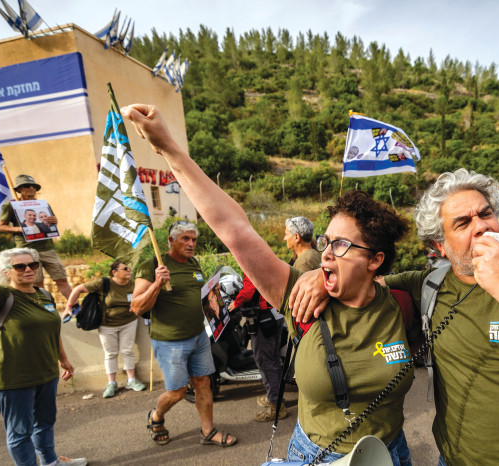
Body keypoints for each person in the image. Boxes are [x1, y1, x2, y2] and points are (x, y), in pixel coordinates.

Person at [121, 103, 414, 465]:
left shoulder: (403, 297)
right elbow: (236, 230)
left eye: (341, 245)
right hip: (317, 455)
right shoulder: (301, 298)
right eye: (325, 241)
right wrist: (168, 148)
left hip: (391, 453)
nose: (325, 255)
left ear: (375, 260)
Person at [290, 168, 499, 465]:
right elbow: (361, 279)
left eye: (486, 214)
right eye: (463, 223)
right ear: (440, 246)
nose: (481, 226)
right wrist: (319, 275)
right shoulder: (427, 286)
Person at [0, 216, 85, 466]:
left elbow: (52, 330)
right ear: (6, 272)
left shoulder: (44, 295)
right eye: (20, 267)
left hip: (45, 372)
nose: (29, 269)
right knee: (20, 432)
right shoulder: (1, 296)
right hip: (12, 376)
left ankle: (51, 462)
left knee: (45, 422)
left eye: (32, 264)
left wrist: (63, 359)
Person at [131, 221, 237, 448]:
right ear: (171, 241)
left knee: (203, 382)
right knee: (177, 392)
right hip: (170, 341)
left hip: (198, 336)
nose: (191, 244)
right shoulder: (152, 265)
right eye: (185, 239)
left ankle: (208, 432)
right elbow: (137, 307)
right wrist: (157, 283)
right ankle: (156, 416)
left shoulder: (194, 263)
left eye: (194, 239)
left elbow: (201, 295)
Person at [65, 261, 146, 399]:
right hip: (107, 324)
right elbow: (78, 289)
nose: (129, 270)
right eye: (125, 268)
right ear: (114, 272)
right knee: (110, 353)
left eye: (129, 268)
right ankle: (111, 383)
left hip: (129, 322)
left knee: (127, 350)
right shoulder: (104, 283)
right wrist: (69, 307)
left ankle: (131, 380)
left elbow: (141, 296)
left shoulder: (133, 284)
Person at [0, 175, 71, 300]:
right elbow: (0, 227)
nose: (31, 188)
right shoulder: (11, 205)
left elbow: (50, 223)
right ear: (19, 189)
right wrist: (19, 229)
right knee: (36, 283)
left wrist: (54, 220)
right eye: (27, 186)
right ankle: (43, 308)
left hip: (47, 247)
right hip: (27, 250)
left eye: (34, 186)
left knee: (62, 279)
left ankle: (76, 308)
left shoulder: (42, 204)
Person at [229, 274, 286, 422]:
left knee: (265, 362)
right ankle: (276, 398)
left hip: (264, 317)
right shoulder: (261, 253)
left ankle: (276, 408)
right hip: (275, 313)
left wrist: (236, 303)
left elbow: (249, 289)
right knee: (273, 359)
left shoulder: (250, 256)